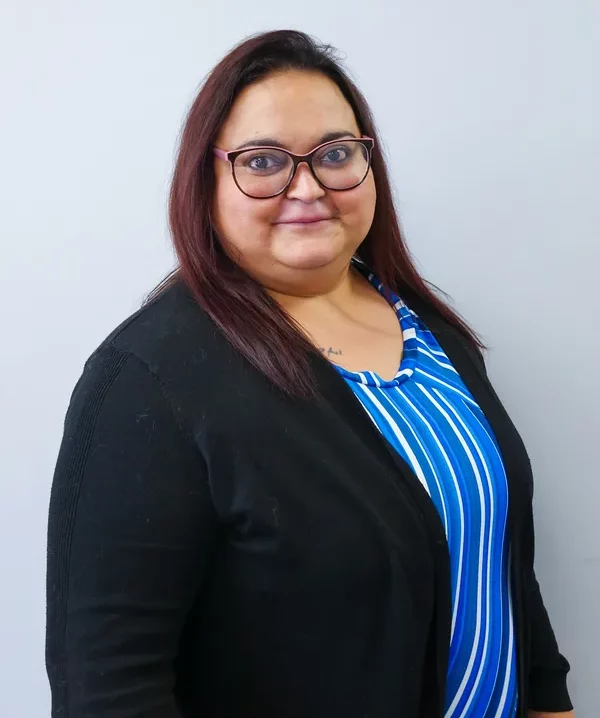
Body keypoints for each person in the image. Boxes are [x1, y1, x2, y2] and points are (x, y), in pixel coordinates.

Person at [45, 29, 574, 718]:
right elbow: (109, 688)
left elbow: (497, 561)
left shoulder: (433, 337)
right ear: (206, 180)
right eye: (263, 161)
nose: (308, 186)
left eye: (335, 153)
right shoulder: (147, 380)